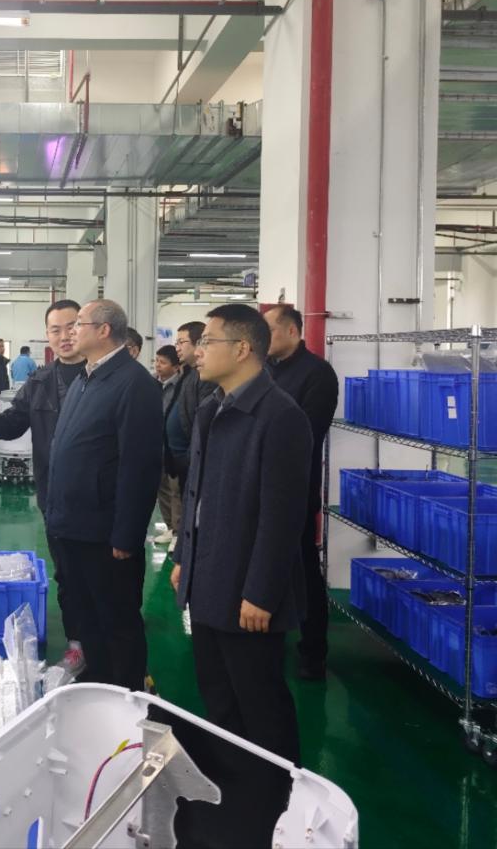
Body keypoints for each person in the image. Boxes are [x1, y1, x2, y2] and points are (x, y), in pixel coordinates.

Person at [170, 305, 311, 782]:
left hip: (247, 589)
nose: (197, 351)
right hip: (207, 577)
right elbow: (196, 495)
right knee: (219, 696)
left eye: (208, 341)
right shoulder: (211, 409)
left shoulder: (280, 417)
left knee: (260, 701)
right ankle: (234, 789)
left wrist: (261, 592)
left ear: (243, 349)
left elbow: (282, 517)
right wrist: (182, 557)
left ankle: (281, 794)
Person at [46, 300, 162, 690]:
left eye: (78, 324)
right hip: (73, 526)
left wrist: (126, 535)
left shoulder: (133, 384)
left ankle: (126, 695)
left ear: (104, 330)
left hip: (105, 533)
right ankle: (97, 686)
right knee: (87, 618)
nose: (70, 332)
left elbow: (140, 466)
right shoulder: (86, 378)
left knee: (117, 621)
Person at [0, 299, 88, 673]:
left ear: (86, 328)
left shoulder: (105, 377)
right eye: (55, 329)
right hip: (54, 496)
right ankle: (78, 643)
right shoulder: (39, 382)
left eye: (72, 327)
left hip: (100, 498)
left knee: (105, 579)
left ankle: (113, 651)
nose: (64, 336)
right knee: (67, 573)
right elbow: (11, 427)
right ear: (47, 336)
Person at [265, 304, 339, 681]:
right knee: (266, 567)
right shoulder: (267, 370)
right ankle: (270, 640)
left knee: (304, 568)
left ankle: (313, 651)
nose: (263, 339)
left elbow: (307, 432)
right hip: (261, 487)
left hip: (295, 488)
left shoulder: (317, 374)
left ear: (292, 331)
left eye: (270, 331)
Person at [164, 322, 216, 497]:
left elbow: (202, 422)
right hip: (180, 461)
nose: (176, 348)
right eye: (176, 343)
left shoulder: (206, 377)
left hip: (191, 461)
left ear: (198, 343)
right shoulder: (188, 373)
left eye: (181, 342)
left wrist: (188, 457)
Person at [152, 344, 181, 546]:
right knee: (161, 487)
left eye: (163, 362)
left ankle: (178, 532)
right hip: (156, 445)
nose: (158, 366)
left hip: (172, 447)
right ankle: (170, 527)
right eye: (156, 361)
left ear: (176, 367)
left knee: (175, 489)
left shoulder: (179, 387)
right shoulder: (153, 384)